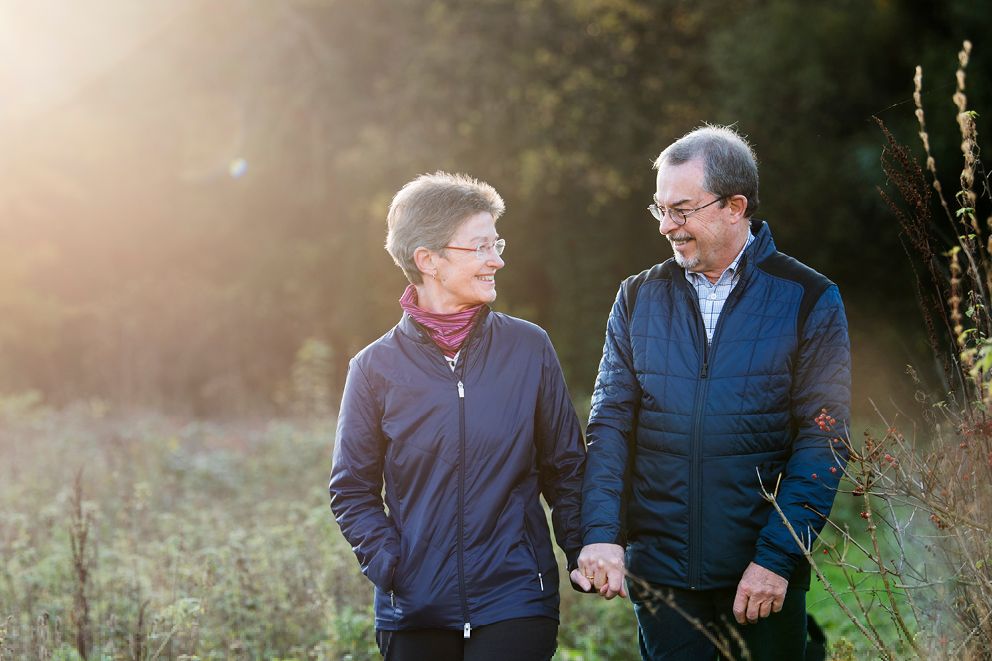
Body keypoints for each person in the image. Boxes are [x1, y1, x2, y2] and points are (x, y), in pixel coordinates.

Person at [577, 125, 851, 660]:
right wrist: (602, 532)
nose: (666, 226)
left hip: (761, 578)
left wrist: (777, 559)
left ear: (734, 207)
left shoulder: (808, 297)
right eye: (660, 209)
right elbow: (609, 425)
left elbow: (824, 441)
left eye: (681, 210)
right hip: (662, 581)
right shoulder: (637, 297)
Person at [329, 172, 587, 661]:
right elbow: (352, 490)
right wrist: (392, 566)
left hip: (516, 597)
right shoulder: (373, 368)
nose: (497, 260)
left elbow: (566, 467)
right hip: (414, 608)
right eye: (480, 247)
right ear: (428, 260)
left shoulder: (529, 347)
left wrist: (581, 550)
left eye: (497, 244)